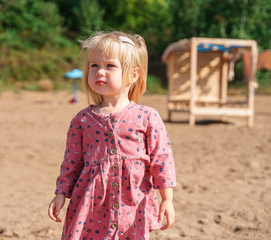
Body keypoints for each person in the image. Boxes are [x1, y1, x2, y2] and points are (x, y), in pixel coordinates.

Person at [48, 31, 176, 240]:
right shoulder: (81, 121)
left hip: (133, 206)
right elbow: (71, 162)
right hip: (91, 207)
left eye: (110, 66)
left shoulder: (147, 117)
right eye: (94, 65)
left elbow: (162, 161)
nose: (100, 72)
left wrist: (167, 199)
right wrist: (60, 193)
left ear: (133, 75)